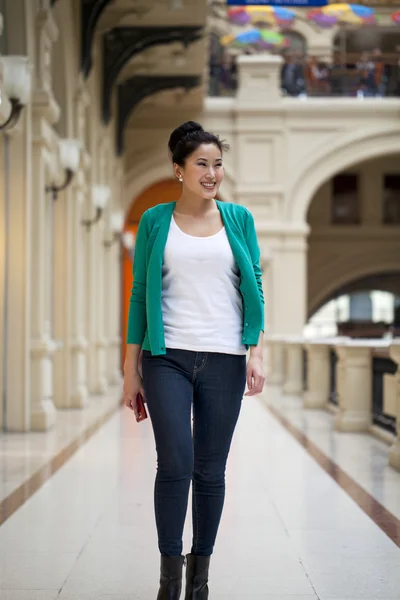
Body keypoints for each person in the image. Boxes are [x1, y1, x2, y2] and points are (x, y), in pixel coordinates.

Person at [123, 121, 265, 599]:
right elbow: (141, 295)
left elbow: (255, 287)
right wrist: (131, 371)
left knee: (210, 470)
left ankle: (199, 581)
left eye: (218, 164)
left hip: (225, 356)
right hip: (167, 357)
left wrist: (255, 350)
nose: (212, 174)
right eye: (201, 164)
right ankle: (169, 579)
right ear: (178, 170)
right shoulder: (154, 221)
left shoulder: (239, 220)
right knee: (176, 464)